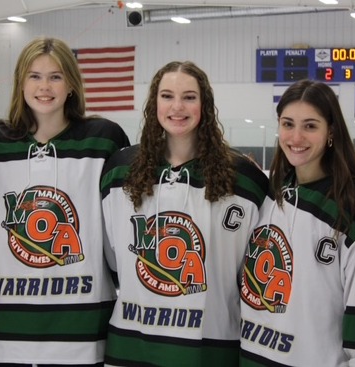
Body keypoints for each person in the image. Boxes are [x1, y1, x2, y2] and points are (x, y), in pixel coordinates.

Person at [100, 61, 268, 366]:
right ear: (154, 104)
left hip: (211, 348)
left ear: (205, 104)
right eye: (167, 96)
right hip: (131, 345)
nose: (177, 107)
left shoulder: (244, 179)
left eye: (189, 97)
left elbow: (251, 273)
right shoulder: (119, 170)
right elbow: (113, 259)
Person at [0, 37, 130, 366]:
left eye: (55, 77)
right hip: (11, 331)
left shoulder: (104, 138)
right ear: (20, 82)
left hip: (85, 326)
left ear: (71, 84)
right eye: (35, 76)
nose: (44, 87)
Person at [239, 79, 355, 366]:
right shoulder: (270, 194)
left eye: (310, 126)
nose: (296, 137)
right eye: (288, 124)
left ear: (331, 131)